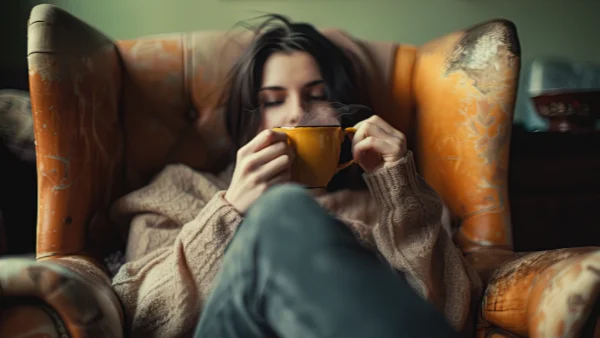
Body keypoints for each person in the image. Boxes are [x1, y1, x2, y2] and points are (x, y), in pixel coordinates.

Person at [110, 14, 480, 338]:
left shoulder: (394, 205)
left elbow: (451, 314)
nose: (296, 114)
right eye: (273, 100)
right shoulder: (180, 190)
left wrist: (400, 190)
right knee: (282, 207)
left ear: (341, 119)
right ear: (250, 118)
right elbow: (143, 318)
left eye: (317, 97)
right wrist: (229, 211)